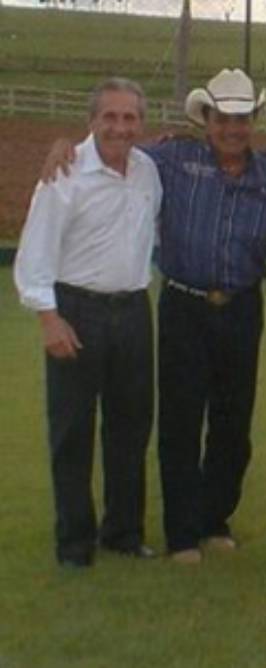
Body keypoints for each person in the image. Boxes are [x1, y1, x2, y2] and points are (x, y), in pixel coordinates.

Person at [38, 69, 266, 564]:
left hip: (243, 305)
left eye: (242, 118)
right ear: (206, 120)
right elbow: (111, 147)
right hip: (183, 304)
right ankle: (182, 534)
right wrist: (62, 145)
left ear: (254, 121)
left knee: (232, 422)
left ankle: (214, 520)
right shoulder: (169, 160)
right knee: (179, 421)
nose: (232, 129)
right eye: (223, 118)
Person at [15, 78, 162, 567]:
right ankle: (75, 543)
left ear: (141, 123)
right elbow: (35, 252)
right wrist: (49, 319)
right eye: (110, 117)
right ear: (92, 121)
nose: (120, 127)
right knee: (73, 431)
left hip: (133, 311)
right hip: (77, 311)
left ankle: (123, 532)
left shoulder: (147, 171)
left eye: (130, 117)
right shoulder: (65, 173)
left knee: (130, 428)